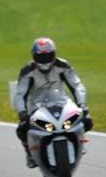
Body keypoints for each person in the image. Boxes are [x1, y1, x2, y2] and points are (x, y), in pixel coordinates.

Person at [14, 37, 92, 168]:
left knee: (87, 120)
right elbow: (20, 94)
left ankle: (80, 143)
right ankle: (29, 154)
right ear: (34, 56)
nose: (45, 61)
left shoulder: (63, 65)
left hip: (62, 101)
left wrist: (82, 104)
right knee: (22, 129)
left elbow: (77, 85)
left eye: (48, 56)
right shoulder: (27, 70)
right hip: (36, 105)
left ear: (54, 54)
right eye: (40, 57)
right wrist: (22, 112)